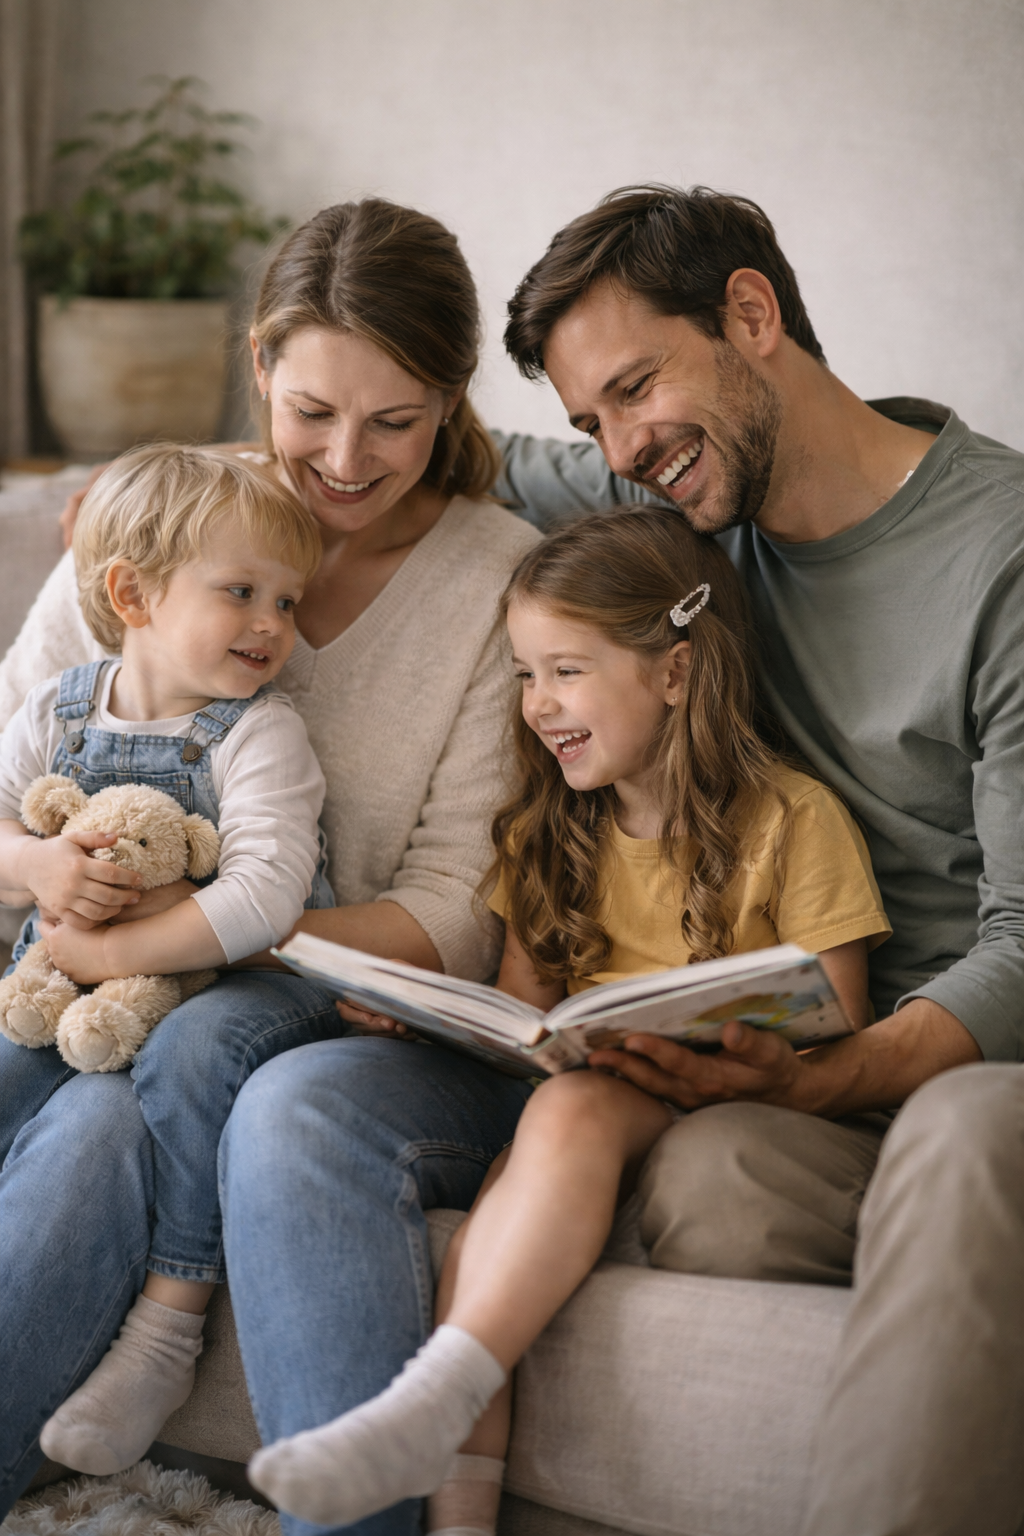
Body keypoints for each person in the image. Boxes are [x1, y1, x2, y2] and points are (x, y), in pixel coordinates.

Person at [492, 185, 1024, 1536]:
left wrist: (834, 1072)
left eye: (634, 388)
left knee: (960, 1138)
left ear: (749, 313)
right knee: (709, 1176)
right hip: (806, 1094)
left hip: (973, 1069)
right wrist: (186, 498)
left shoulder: (1002, 556)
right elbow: (455, 454)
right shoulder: (678, 518)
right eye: (591, 423)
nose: (622, 450)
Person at [0, 198, 539, 1520]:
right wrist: (56, 890)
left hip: (354, 1019)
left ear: (451, 400)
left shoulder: (499, 581)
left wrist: (175, 936)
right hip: (97, 988)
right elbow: (19, 792)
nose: (345, 462)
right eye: (312, 412)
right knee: (94, 1119)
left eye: (395, 421)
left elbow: (454, 916)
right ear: (259, 365)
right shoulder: (151, 524)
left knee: (185, 1096)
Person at [245, 507, 891, 1530]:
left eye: (566, 671)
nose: (538, 704)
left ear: (675, 671)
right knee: (497, 1213)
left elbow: (840, 1018)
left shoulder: (791, 818)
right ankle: (456, 1502)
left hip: (733, 1104)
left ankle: (433, 1400)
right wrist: (431, 1019)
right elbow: (526, 1020)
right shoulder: (550, 828)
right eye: (523, 674)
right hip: (590, 1098)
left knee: (573, 1108)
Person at [0, 442, 335, 1475]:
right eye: (241, 592)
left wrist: (117, 949)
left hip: (223, 993)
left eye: (287, 601)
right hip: (55, 991)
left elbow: (268, 898)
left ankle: (154, 1331)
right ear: (131, 595)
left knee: (169, 1074)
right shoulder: (57, 707)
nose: (272, 624)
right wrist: (37, 864)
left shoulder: (258, 734)